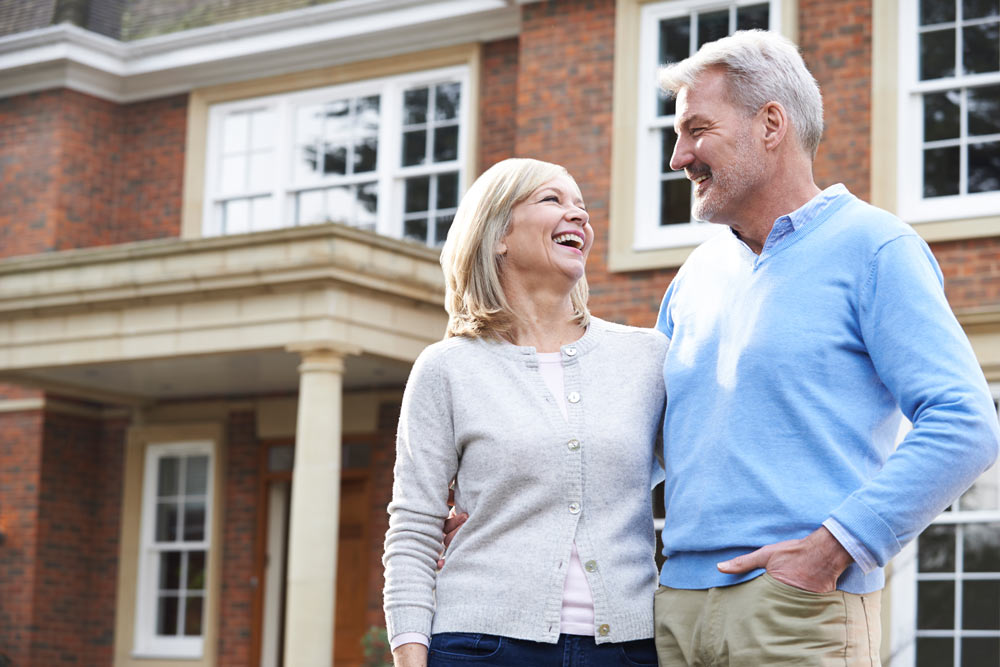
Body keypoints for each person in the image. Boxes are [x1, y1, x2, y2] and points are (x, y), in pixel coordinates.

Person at [652, 30, 1000, 665]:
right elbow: (645, 446)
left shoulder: (875, 248)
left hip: (797, 607)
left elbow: (966, 422)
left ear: (771, 124)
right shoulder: (694, 277)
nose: (679, 157)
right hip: (674, 607)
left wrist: (833, 548)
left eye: (696, 130)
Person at [382, 158, 666, 667]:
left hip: (626, 648)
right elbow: (414, 527)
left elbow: (709, 477)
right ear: (498, 236)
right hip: (479, 645)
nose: (578, 215)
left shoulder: (647, 357)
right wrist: (409, 656)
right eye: (553, 200)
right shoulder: (447, 368)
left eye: (581, 205)